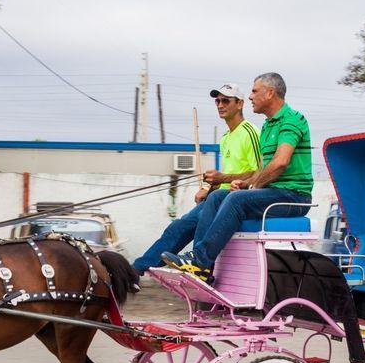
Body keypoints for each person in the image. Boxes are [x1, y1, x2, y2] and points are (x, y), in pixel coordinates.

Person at [162, 72, 313, 280]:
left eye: (254, 91)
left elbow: (280, 163)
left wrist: (252, 187)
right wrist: (245, 182)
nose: (250, 96)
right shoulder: (268, 126)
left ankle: (199, 261)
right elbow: (263, 170)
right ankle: (201, 266)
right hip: (275, 192)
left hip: (294, 196)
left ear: (270, 93)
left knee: (235, 199)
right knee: (215, 197)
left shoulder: (292, 120)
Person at [131, 83, 261, 274]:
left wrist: (221, 178)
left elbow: (259, 173)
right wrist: (209, 189)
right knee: (177, 227)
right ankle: (138, 269)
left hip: (237, 199)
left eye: (226, 100)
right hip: (220, 196)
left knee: (200, 219)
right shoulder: (226, 138)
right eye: (217, 101)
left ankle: (199, 267)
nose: (220, 105)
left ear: (240, 103)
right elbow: (225, 179)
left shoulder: (250, 132)